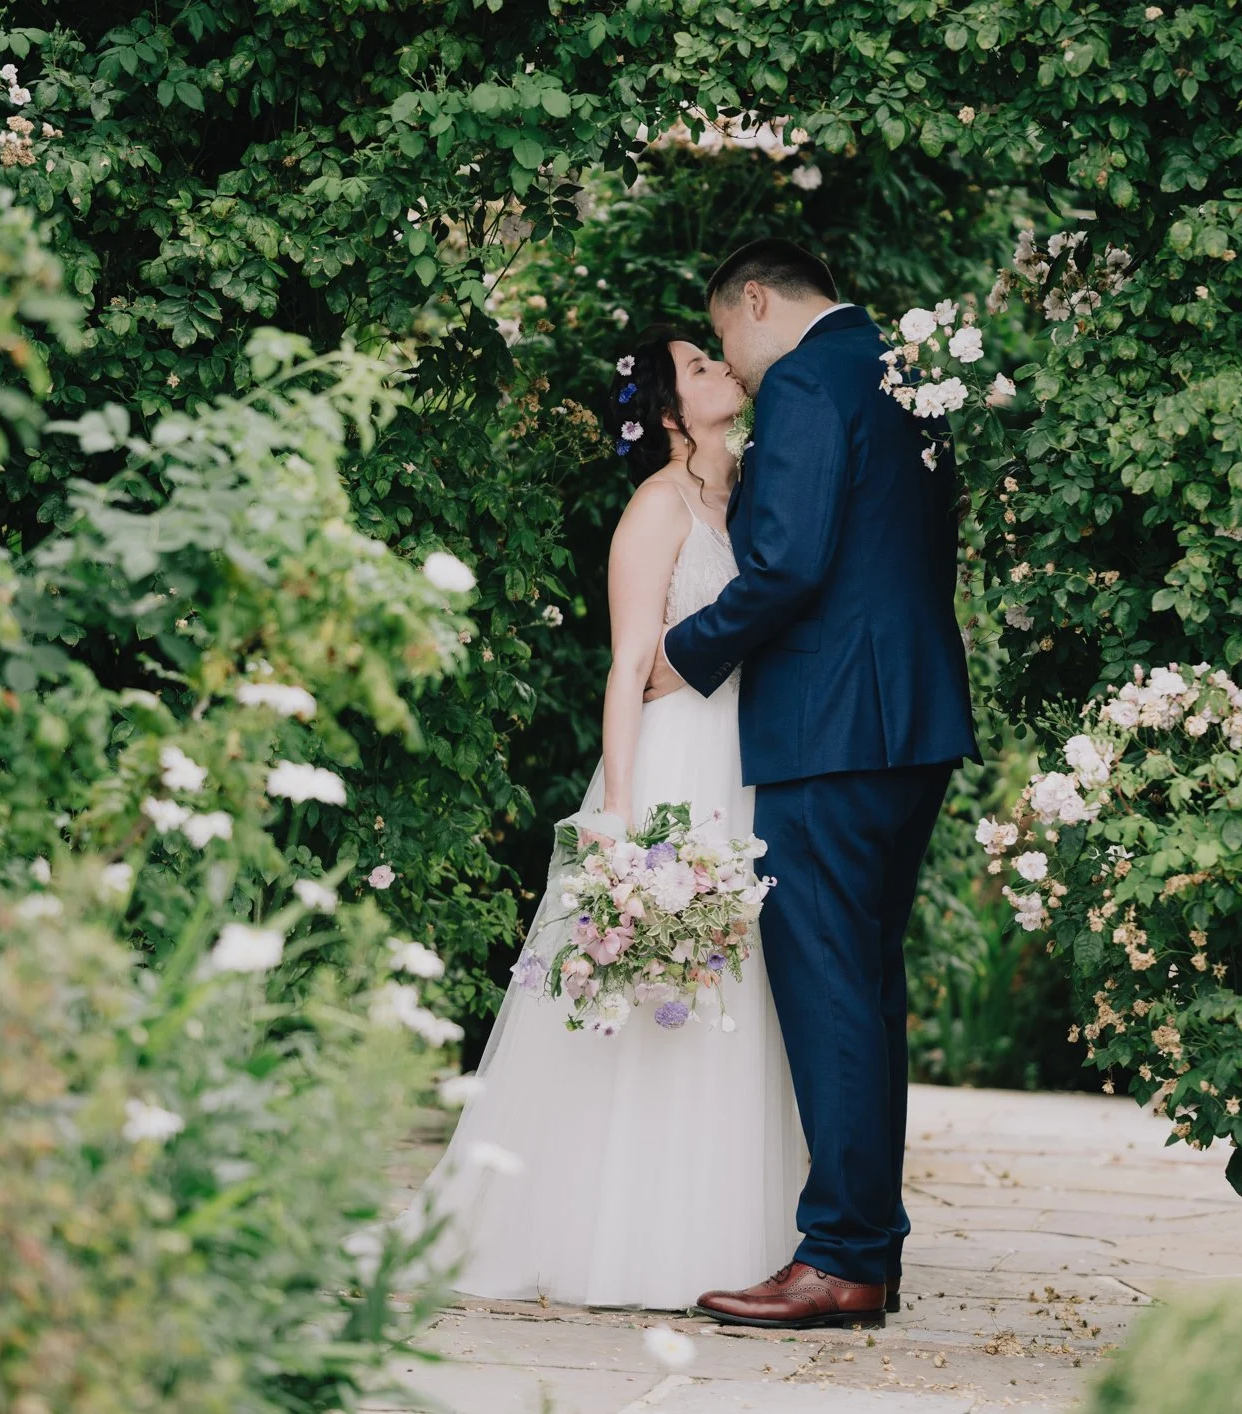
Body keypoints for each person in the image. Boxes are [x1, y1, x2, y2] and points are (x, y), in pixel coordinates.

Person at [417, 327, 807, 1311]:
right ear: (672, 413)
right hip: (676, 764)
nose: (725, 368)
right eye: (701, 365)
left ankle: (721, 1236)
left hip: (744, 773)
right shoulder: (656, 505)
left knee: (727, 998)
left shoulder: (749, 503)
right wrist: (622, 823)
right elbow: (629, 664)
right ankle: (611, 1235)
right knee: (650, 994)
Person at [654, 238, 979, 1329]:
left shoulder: (801, 377)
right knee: (867, 987)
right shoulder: (900, 370)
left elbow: (787, 561)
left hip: (830, 726)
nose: (736, 374)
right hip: (912, 716)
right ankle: (865, 1248)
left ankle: (841, 1253)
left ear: (754, 300)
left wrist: (684, 652)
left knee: (833, 984)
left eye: (729, 345)